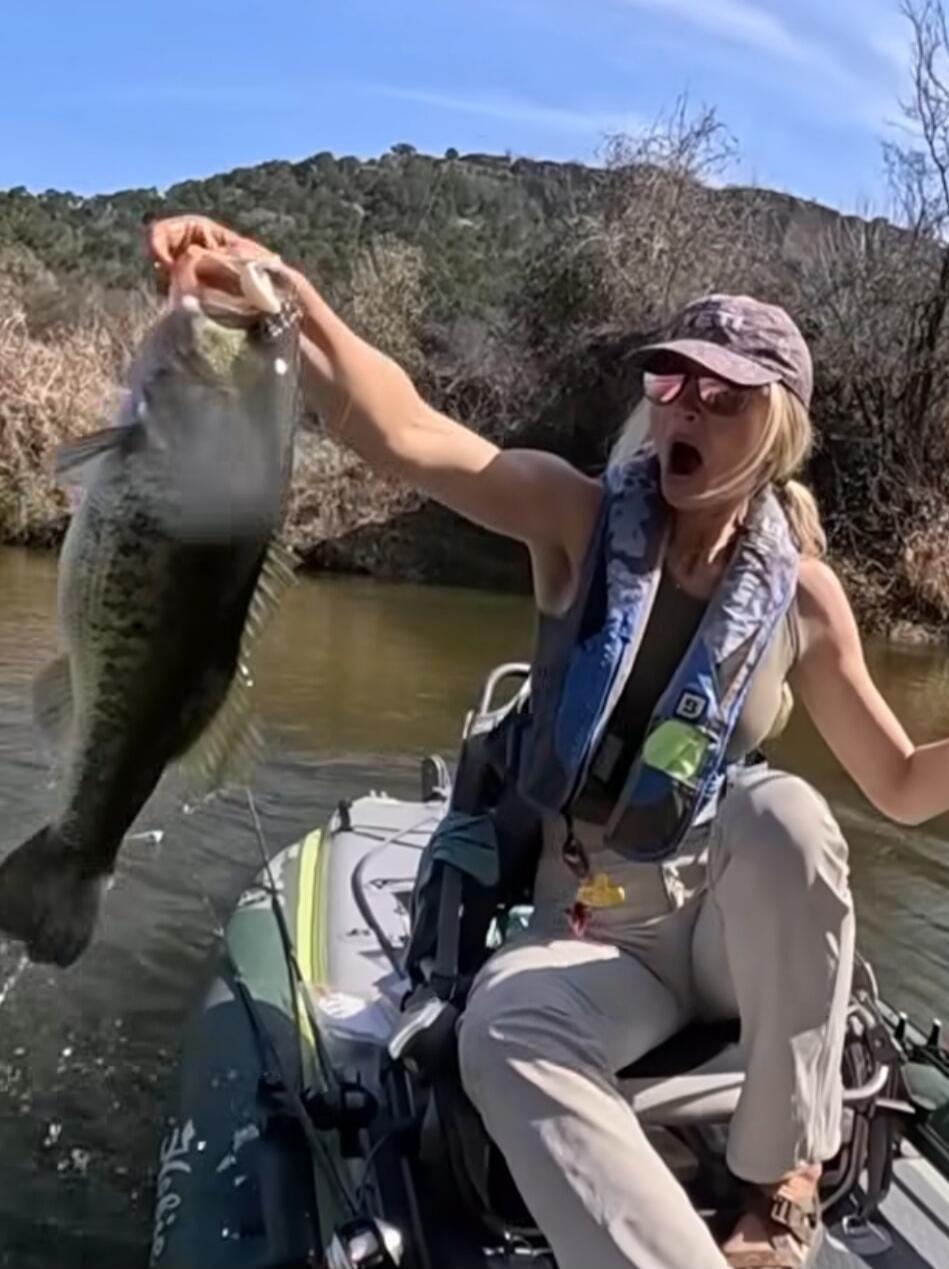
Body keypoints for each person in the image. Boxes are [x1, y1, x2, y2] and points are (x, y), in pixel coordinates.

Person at [147, 216, 947, 1269]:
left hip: (725, 927)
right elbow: (411, 436)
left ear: (778, 427)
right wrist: (272, 288)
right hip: (595, 928)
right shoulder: (573, 519)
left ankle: (781, 1184)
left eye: (724, 394)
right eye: (671, 385)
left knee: (786, 813)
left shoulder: (805, 598)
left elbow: (895, 784)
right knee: (501, 1032)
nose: (685, 409)